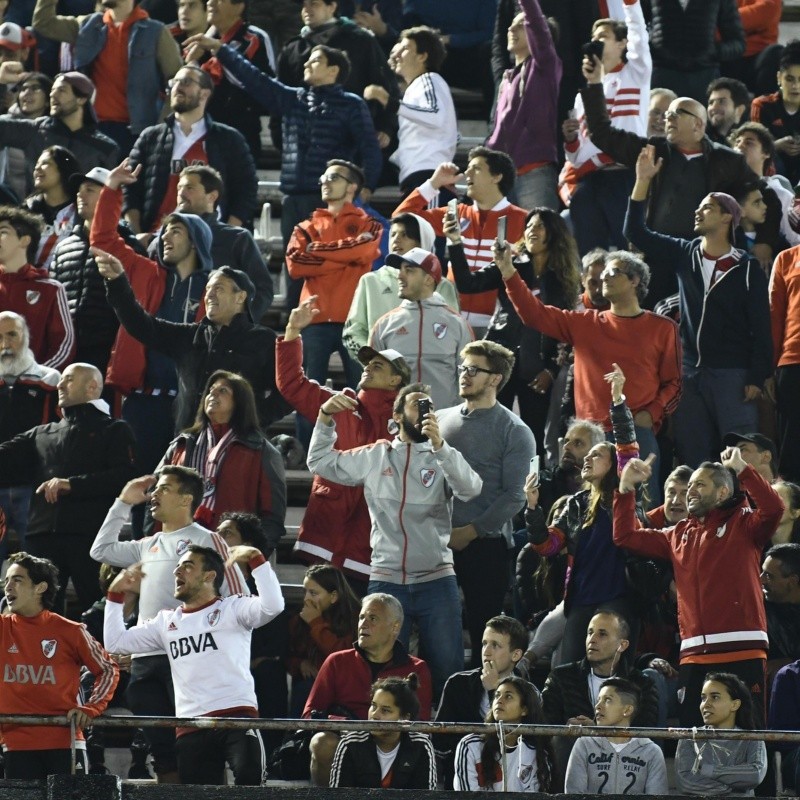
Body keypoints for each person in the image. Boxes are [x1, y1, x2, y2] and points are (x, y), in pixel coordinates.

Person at [307, 382, 482, 697]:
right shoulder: (377, 455)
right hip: (386, 580)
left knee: (447, 669)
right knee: (380, 669)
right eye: (417, 403)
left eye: (429, 404)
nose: (425, 409)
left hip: (436, 579)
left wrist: (440, 446)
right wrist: (324, 419)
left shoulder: (443, 456)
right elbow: (320, 462)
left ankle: (445, 743)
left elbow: (471, 489)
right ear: (397, 416)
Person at [184, 35, 382, 311]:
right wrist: (221, 51)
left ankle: (332, 323)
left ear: (333, 70)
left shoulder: (351, 104)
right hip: (293, 198)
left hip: (330, 203)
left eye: (315, 61)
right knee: (296, 267)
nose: (307, 64)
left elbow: (370, 148)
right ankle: (297, 326)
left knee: (331, 267)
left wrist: (367, 186)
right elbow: (255, 79)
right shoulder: (294, 99)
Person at [90, 466, 249, 783]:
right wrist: (123, 502)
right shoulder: (148, 544)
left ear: (186, 499)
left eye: (163, 488)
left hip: (190, 659)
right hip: (146, 662)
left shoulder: (209, 541)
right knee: (163, 756)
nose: (153, 495)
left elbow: (241, 602)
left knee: (197, 750)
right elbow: (101, 550)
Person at [625, 145, 772, 467]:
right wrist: (642, 182)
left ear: (727, 217)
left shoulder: (746, 268)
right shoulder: (684, 252)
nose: (697, 211)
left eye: (707, 208)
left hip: (733, 375)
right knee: (693, 457)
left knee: (739, 458)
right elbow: (635, 232)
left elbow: (762, 326)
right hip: (689, 373)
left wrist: (756, 377)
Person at [615, 446, 783, 725]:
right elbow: (626, 536)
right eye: (689, 485)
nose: (690, 491)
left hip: (742, 647)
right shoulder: (676, 534)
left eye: (699, 485)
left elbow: (775, 507)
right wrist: (625, 487)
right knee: (692, 740)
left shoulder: (745, 524)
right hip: (694, 654)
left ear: (721, 493)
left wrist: (743, 469)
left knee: (749, 735)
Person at [496, 244, 681, 498]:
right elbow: (534, 314)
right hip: (590, 434)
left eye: (613, 271)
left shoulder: (663, 328)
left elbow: (674, 384)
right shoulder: (584, 322)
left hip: (637, 431)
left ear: (635, 280)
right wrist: (508, 271)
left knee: (642, 508)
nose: (604, 276)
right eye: (603, 271)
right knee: (589, 509)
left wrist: (651, 413)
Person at [581, 70, 773, 308]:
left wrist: (765, 240)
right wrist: (594, 84)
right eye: (666, 114)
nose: (666, 118)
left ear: (698, 124)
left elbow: (766, 195)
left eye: (675, 113)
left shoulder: (727, 161)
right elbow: (601, 134)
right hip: (653, 255)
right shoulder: (652, 150)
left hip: (699, 259)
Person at [104, 543, 284, 785]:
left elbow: (273, 605)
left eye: (187, 566)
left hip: (237, 717)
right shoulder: (166, 621)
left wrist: (256, 560)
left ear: (210, 576)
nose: (177, 572)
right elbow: (116, 643)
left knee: (250, 787)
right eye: (177, 567)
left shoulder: (233, 608)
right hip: (191, 725)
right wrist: (115, 595)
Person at [276, 299, 410, 590]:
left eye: (378, 365)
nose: (368, 368)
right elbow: (291, 385)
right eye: (368, 363)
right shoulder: (339, 403)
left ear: (395, 380)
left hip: (370, 545)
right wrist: (291, 333)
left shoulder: (407, 420)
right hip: (324, 533)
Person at [95, 248, 287, 432]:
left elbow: (286, 393)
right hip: (188, 442)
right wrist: (117, 283)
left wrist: (251, 421)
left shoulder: (263, 340)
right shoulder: (189, 336)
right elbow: (142, 325)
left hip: (240, 447)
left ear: (240, 297)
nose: (209, 295)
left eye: (218, 289)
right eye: (208, 289)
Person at [0, 362, 136, 614]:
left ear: (93, 386)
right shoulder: (42, 433)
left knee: (97, 612)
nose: (60, 384)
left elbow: (125, 478)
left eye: (69, 379)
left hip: (91, 537)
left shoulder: (115, 429)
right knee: (35, 615)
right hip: (40, 537)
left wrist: (71, 484)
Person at [443, 206, 580, 450]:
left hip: (536, 368)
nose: (531, 231)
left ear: (554, 233)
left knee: (532, 435)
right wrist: (455, 242)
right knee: (491, 430)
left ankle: (533, 486)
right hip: (498, 360)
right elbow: (467, 284)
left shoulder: (564, 278)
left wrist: (550, 370)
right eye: (528, 226)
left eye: (539, 226)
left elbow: (567, 329)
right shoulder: (510, 264)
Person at [437, 341, 535, 665]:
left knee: (484, 634)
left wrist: (471, 531)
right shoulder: (440, 420)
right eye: (463, 368)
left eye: (473, 370)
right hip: (436, 543)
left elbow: (515, 496)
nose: (464, 375)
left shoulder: (515, 430)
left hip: (486, 547)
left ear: (494, 379)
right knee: (436, 632)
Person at [0, 552, 119, 779]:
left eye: (17, 580)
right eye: (6, 580)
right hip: (16, 745)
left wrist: (91, 707)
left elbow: (107, 669)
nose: (8, 587)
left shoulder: (71, 631)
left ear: (40, 587)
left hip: (66, 743)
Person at [304, 593, 433, 787]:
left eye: (372, 618)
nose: (363, 624)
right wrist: (350, 725)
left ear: (395, 627)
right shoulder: (336, 661)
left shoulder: (417, 668)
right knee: (322, 743)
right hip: (345, 740)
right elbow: (308, 716)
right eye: (361, 617)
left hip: (394, 743)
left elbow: (420, 724)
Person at [395, 147, 528, 334]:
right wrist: (433, 184)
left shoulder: (525, 220)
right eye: (468, 168)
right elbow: (401, 220)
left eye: (476, 168)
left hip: (496, 324)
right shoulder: (455, 213)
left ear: (496, 177)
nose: (467, 173)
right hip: (448, 319)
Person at [285, 159, 382, 416]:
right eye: (324, 178)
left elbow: (365, 250)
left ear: (352, 187)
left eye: (334, 178)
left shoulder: (370, 224)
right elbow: (295, 265)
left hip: (355, 321)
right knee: (306, 397)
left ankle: (359, 452)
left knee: (363, 396)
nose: (325, 183)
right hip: (314, 319)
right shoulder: (305, 226)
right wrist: (349, 256)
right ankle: (306, 453)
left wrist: (316, 251)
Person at [156, 370, 286, 553]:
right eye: (210, 390)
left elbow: (272, 516)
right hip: (176, 550)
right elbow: (154, 497)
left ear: (240, 403)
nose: (212, 394)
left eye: (223, 391)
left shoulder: (261, 451)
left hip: (230, 554)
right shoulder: (182, 444)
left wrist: (252, 558)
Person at [123, 64, 258, 237]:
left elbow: (247, 190)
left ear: (204, 94)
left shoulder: (229, 139)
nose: (177, 87)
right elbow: (129, 187)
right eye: (175, 82)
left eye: (186, 82)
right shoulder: (150, 137)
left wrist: (226, 234)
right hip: (157, 239)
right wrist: (137, 234)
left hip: (209, 240)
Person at [561, 1, 651, 256]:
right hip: (591, 180)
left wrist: (631, 5)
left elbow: (639, 34)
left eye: (604, 36)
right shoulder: (585, 93)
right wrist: (570, 142)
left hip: (625, 175)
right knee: (591, 256)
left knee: (631, 252)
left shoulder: (636, 73)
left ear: (622, 44)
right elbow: (578, 157)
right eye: (593, 37)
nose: (596, 41)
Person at [32, 0, 182, 151]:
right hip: (91, 130)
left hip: (135, 133)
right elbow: (43, 22)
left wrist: (161, 125)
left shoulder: (155, 32)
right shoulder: (88, 25)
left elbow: (177, 82)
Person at [50, 166, 144, 377]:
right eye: (79, 190)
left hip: (107, 355)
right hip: (65, 352)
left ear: (111, 197)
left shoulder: (130, 248)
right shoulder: (63, 247)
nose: (80, 195)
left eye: (90, 189)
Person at [540, 610, 659, 777]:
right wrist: (567, 729)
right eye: (590, 633)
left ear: (622, 645)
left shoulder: (641, 683)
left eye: (602, 634)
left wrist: (597, 731)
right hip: (574, 758)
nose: (592, 639)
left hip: (624, 762)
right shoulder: (561, 677)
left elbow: (645, 730)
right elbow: (545, 723)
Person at [275, 0, 398, 158]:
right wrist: (279, 137)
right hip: (305, 144)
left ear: (332, 6)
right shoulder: (293, 49)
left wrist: (386, 127)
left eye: (314, 4)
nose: (307, 9)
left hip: (352, 141)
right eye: (304, 5)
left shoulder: (360, 40)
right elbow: (280, 97)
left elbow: (386, 85)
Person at [342, 212, 459, 359]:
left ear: (423, 241)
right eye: (393, 235)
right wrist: (375, 360)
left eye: (405, 235)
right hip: (382, 376)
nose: (396, 240)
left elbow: (454, 333)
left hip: (432, 372)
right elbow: (353, 332)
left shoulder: (442, 285)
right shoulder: (370, 281)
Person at [369, 247, 472, 411]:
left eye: (408, 270)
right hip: (397, 426)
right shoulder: (383, 325)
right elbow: (373, 381)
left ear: (428, 280)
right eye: (400, 270)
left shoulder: (457, 324)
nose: (400, 276)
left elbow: (469, 380)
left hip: (444, 424)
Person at [435, 615, 532, 787]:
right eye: (484, 643)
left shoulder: (529, 693)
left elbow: (530, 744)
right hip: (463, 775)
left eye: (495, 645)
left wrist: (494, 690)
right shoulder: (457, 684)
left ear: (516, 654)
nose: (486, 651)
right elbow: (441, 742)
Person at [485, 0, 560, 211]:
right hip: (503, 178)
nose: (510, 29)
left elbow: (537, 23)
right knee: (503, 243)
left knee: (541, 240)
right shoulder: (507, 79)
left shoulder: (544, 67)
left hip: (534, 173)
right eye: (512, 24)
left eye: (521, 25)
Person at [170, 165, 273, 319]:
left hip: (217, 339)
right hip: (169, 333)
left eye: (189, 187)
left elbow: (262, 290)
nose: (181, 193)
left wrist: (239, 325)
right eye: (179, 188)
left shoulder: (236, 238)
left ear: (212, 196)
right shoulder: (162, 240)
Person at [0, 69, 118, 196]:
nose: (52, 95)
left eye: (61, 90)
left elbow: (108, 196)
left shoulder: (105, 148)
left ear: (81, 99)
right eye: (52, 90)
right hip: (36, 213)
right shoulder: (36, 130)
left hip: (79, 214)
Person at [0, 311, 59, 559]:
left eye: (12, 334)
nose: (5, 344)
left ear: (26, 336)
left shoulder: (51, 379)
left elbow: (61, 434)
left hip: (33, 487)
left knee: (36, 566)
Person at [190, 0, 275, 160]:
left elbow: (263, 85)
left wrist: (219, 51)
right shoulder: (201, 40)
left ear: (239, 6)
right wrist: (192, 61)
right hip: (204, 129)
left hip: (242, 130)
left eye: (218, 0)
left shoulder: (254, 38)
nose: (210, 3)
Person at [379, 25, 457, 196]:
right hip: (415, 176)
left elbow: (435, 116)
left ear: (422, 56)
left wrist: (389, 103)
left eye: (405, 48)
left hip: (429, 176)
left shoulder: (429, 79)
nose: (398, 54)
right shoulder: (415, 88)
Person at [0, 204, 75, 371]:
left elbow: (64, 344)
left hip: (32, 391)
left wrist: (36, 376)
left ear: (24, 240)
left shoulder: (50, 289)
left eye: (3, 232)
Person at [329, 674, 437, 789]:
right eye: (373, 706)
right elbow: (338, 795)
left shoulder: (421, 746)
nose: (374, 715)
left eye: (385, 710)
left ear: (405, 718)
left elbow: (427, 795)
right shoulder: (350, 744)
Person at [565, 677, 668, 794]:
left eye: (607, 700)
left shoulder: (651, 751)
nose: (598, 706)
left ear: (627, 710)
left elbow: (657, 796)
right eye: (598, 700)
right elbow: (574, 793)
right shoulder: (584, 745)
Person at [453, 675, 555, 792]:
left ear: (524, 709)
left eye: (508, 696)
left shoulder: (536, 753)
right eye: (497, 695)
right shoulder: (470, 746)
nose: (499, 700)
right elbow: (466, 797)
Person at [675, 672, 767, 796]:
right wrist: (733, 791)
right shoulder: (689, 738)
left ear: (734, 704)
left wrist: (708, 770)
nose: (706, 704)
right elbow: (686, 782)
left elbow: (755, 774)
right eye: (703, 698)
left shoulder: (752, 738)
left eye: (715, 697)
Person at [288, 563, 360, 717]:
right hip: (312, 682)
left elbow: (343, 657)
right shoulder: (300, 618)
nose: (306, 599)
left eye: (313, 593)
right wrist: (299, 663)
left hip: (346, 684)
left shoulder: (355, 619)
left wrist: (316, 623)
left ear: (334, 596)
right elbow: (286, 655)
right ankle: (293, 737)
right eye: (305, 592)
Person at [646, 0, 744, 102]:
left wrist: (713, 52)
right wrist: (651, 50)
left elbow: (738, 43)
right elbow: (633, 28)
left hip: (703, 76)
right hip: (662, 73)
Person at [769, 238, 800, 483]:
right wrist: (770, 369)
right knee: (791, 449)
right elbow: (774, 316)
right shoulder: (786, 258)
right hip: (792, 363)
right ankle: (790, 518)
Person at [24, 144, 79, 271]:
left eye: (45, 163)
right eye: (37, 164)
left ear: (63, 169)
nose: (37, 168)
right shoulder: (26, 211)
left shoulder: (81, 212)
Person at [752, 43, 800, 186]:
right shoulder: (762, 105)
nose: (795, 86)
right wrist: (776, 145)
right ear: (779, 78)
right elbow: (754, 146)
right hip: (772, 174)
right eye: (790, 79)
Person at [706, 77, 750, 145]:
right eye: (711, 103)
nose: (713, 107)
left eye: (721, 101)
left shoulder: (751, 142)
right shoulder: (700, 140)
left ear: (739, 110)